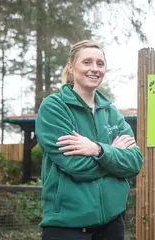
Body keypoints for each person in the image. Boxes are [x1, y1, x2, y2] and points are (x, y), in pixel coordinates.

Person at [35, 40, 144, 240]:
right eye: (87, 62)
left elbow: (134, 163)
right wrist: (113, 156)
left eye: (100, 64)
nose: (95, 69)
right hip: (67, 228)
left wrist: (98, 150)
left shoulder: (111, 112)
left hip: (112, 226)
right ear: (71, 67)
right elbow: (76, 165)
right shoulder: (54, 108)